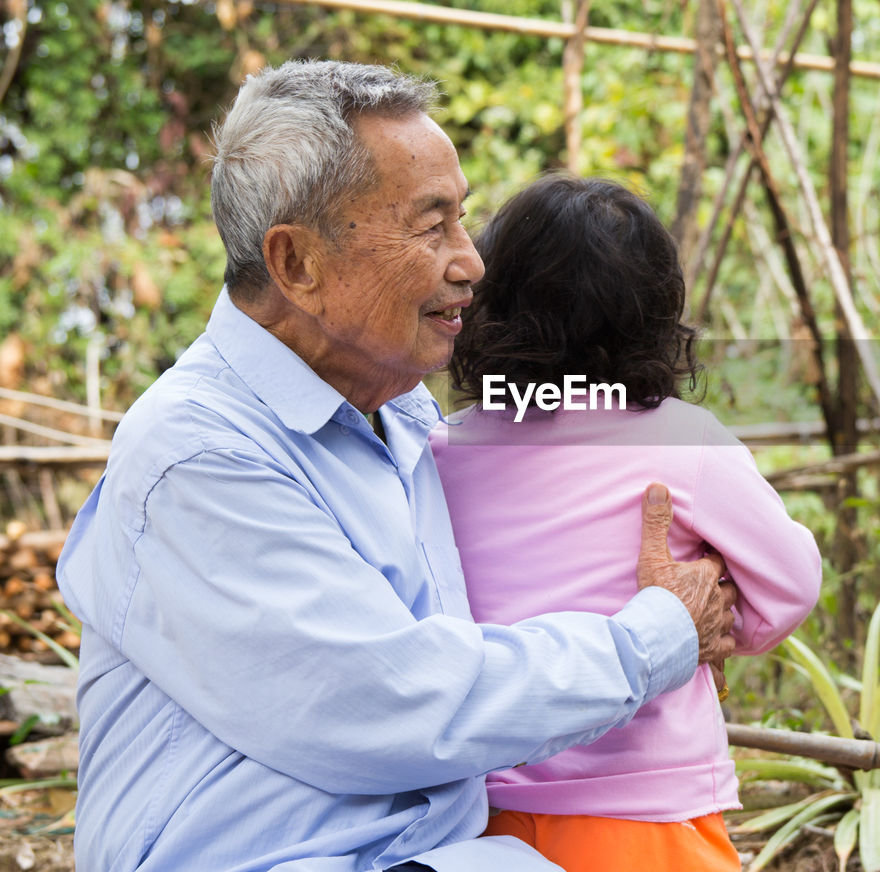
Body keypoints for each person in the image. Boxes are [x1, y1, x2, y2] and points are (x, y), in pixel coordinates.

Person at [55, 61, 738, 872]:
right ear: (298, 263)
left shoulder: (405, 417)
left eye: (464, 220)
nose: (472, 264)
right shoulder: (201, 453)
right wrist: (658, 636)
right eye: (431, 226)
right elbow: (395, 703)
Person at [430, 175, 823, 872]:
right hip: (649, 817)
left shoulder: (441, 449)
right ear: (656, 312)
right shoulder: (683, 442)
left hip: (477, 822)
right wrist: (705, 623)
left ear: (490, 304)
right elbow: (790, 585)